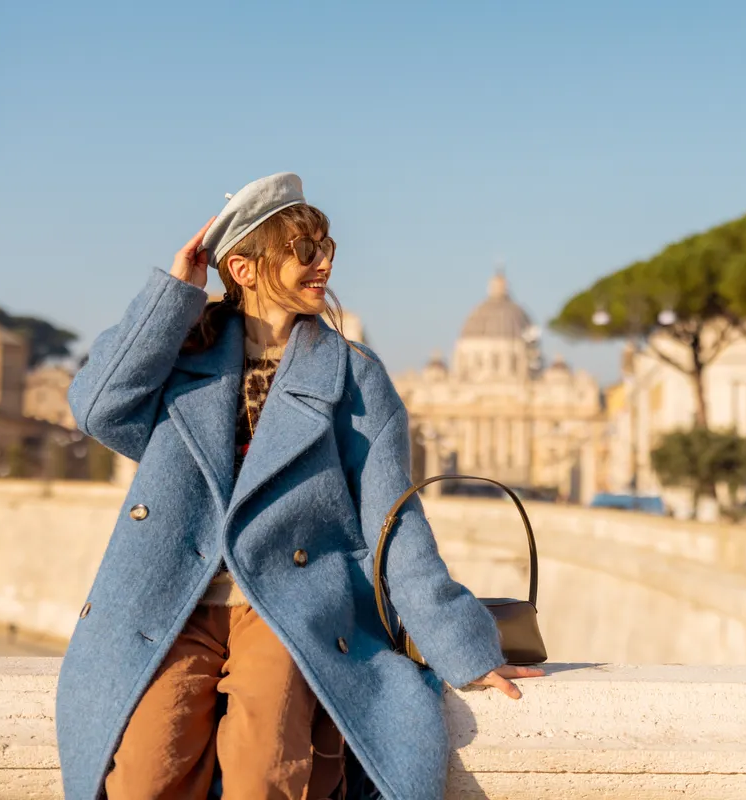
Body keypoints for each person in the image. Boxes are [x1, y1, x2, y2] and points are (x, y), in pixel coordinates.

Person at [55, 173, 543, 800]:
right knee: (144, 778)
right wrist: (175, 293)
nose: (325, 263)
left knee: (267, 775)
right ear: (246, 266)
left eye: (327, 246)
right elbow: (98, 409)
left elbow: (393, 522)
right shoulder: (178, 358)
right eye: (305, 250)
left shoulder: (356, 376)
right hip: (170, 603)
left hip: (285, 605)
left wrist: (462, 644)